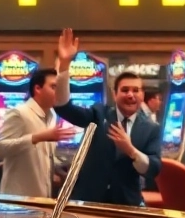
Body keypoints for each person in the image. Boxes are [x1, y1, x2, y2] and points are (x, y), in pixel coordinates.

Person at [54, 28, 161, 206]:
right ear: (114, 93)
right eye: (125, 90)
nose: (130, 95)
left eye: (136, 90)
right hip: (89, 201)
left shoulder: (151, 128)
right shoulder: (99, 114)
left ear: (142, 95)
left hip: (127, 204)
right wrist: (65, 65)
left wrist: (131, 151)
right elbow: (63, 108)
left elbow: (154, 169)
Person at [0, 68, 76, 198]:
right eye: (53, 87)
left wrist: (61, 168)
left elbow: (41, 156)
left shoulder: (52, 115)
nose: (58, 92)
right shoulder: (20, 113)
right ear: (38, 89)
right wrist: (37, 138)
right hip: (17, 201)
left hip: (41, 199)